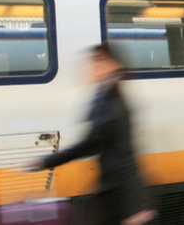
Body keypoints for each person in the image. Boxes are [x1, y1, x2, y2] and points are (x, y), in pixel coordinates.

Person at [25, 44, 155, 225]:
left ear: (114, 65)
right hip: (108, 191)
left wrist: (136, 207)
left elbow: (124, 158)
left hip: (120, 196)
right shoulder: (101, 96)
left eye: (99, 61)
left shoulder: (116, 105)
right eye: (93, 61)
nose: (92, 65)